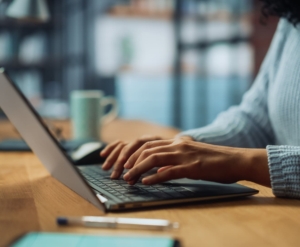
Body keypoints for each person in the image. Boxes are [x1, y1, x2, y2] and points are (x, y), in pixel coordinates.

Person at [100, 0, 300, 199]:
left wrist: (239, 162)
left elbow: (246, 150)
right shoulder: (291, 18)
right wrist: (185, 145)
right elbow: (256, 119)